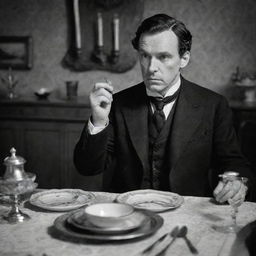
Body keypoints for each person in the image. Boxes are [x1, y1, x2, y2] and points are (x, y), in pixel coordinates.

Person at [74, 13, 254, 203]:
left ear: (183, 59)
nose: (151, 67)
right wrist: (99, 121)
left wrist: (237, 182)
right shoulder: (117, 103)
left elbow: (234, 162)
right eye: (145, 56)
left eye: (164, 57)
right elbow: (87, 168)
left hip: (188, 213)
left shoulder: (214, 105)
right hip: (129, 214)